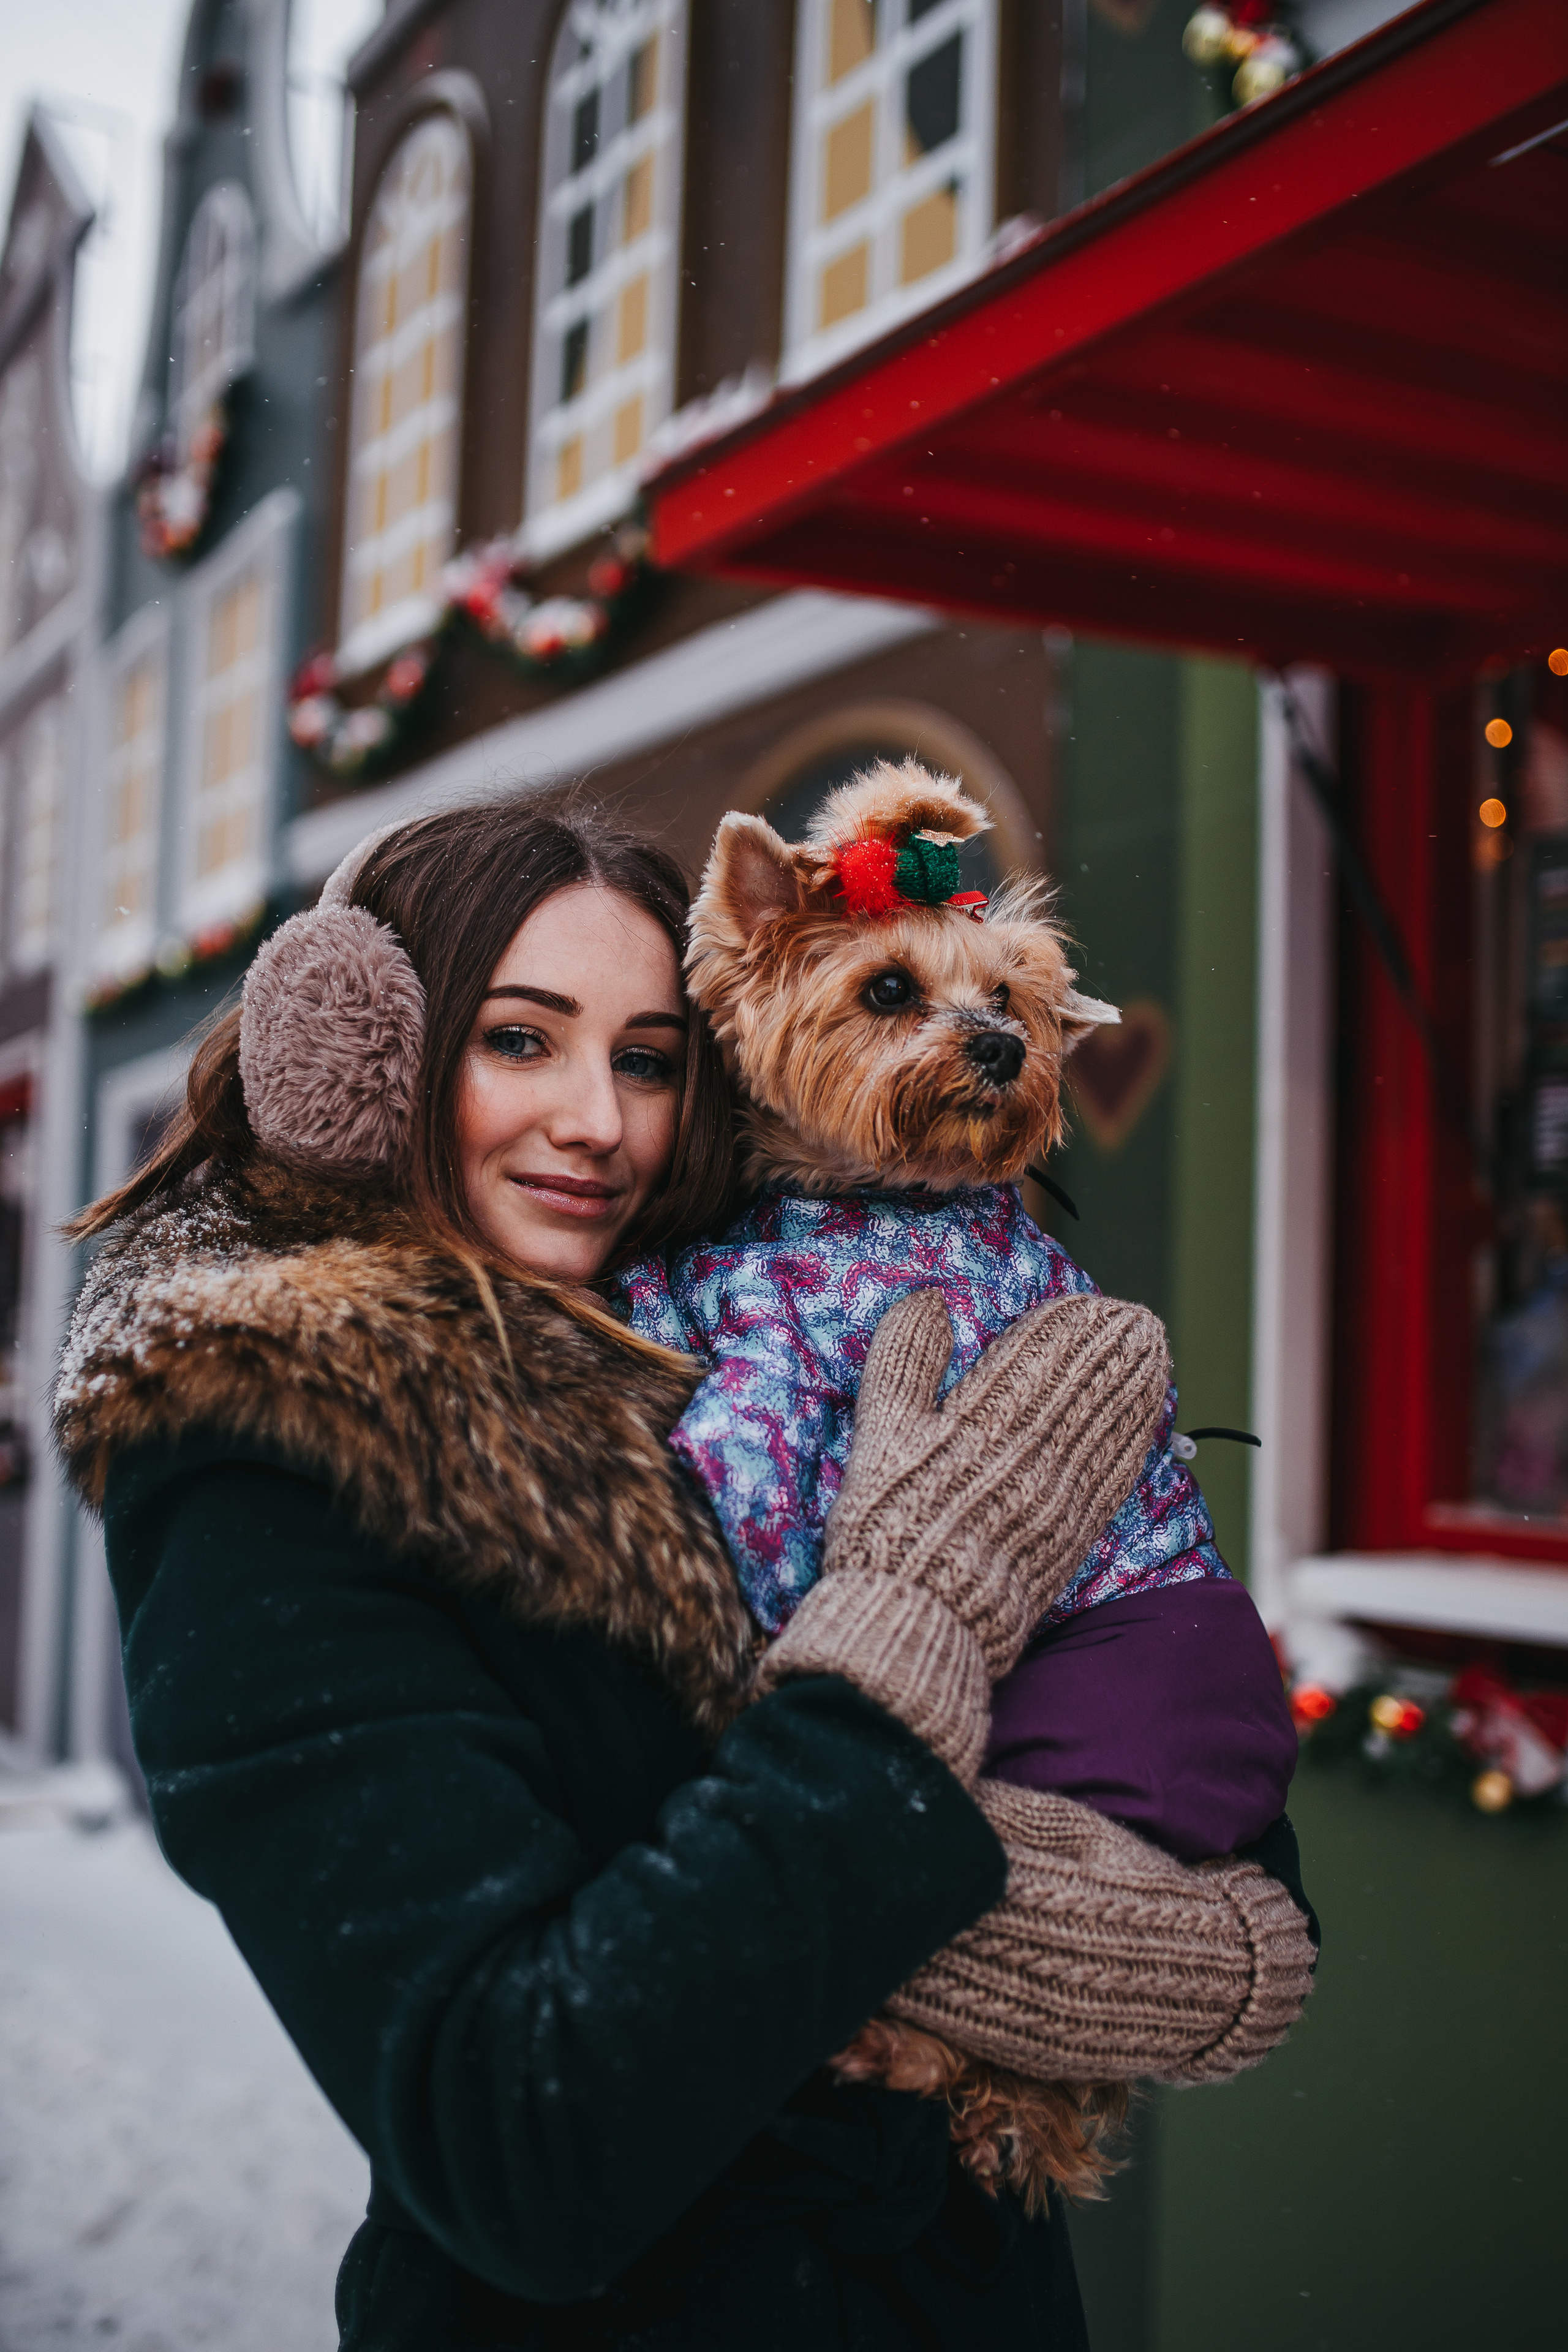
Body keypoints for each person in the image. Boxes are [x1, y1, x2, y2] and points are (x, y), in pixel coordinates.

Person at [56, 796, 1316, 2350]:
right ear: (364, 1057)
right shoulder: (270, 1473)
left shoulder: (745, 1314)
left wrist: (1210, 1950)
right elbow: (523, 2140)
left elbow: (1247, 1911)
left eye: (646, 1060)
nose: (599, 1118)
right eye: (520, 1040)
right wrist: (930, 1596)